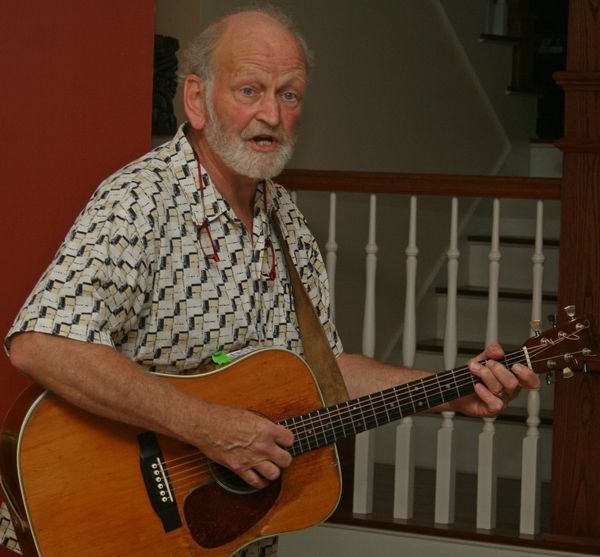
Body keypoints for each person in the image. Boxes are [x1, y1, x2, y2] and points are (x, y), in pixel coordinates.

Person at [1, 5, 540, 556]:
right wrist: (205, 427)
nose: (272, 115)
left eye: (289, 94)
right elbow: (42, 345)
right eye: (249, 90)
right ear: (196, 100)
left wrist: (449, 392)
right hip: (121, 527)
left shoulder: (289, 225)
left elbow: (324, 377)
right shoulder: (140, 202)